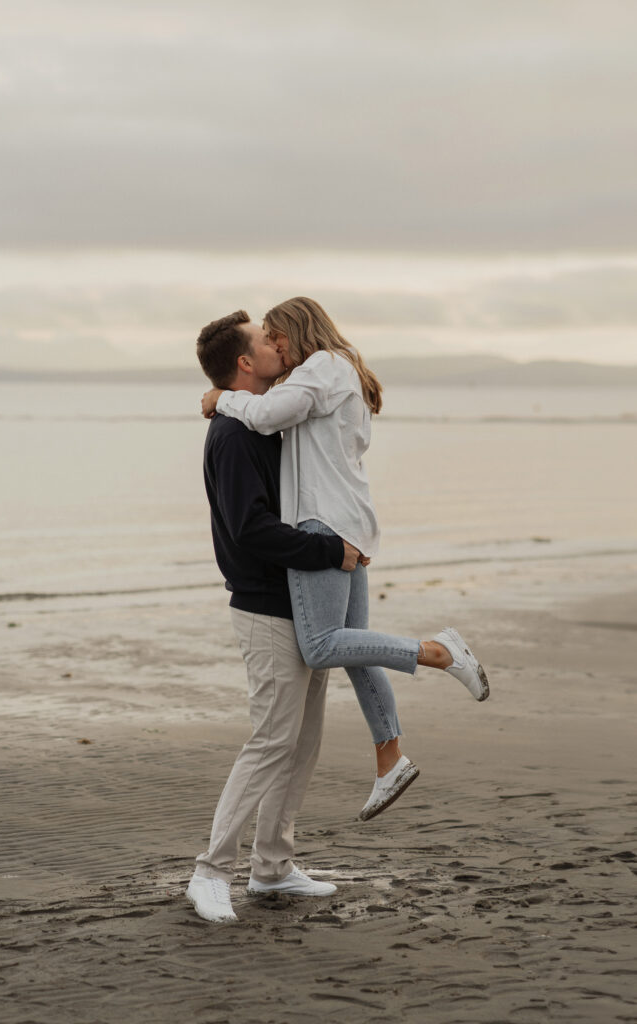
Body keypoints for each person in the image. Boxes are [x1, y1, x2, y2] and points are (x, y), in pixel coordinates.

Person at [201, 296, 490, 824]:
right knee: (352, 651)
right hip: (349, 521)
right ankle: (390, 758)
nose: (274, 346)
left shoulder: (324, 368)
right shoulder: (335, 370)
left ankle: (437, 652)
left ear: (296, 331)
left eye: (276, 336)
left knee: (319, 645)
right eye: (265, 339)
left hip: (325, 524)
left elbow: (263, 415)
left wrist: (221, 398)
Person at [186, 310, 363, 924]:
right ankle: (211, 872)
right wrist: (328, 551)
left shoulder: (271, 418)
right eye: (266, 342)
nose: (278, 347)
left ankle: (272, 866)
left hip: (305, 602)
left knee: (301, 743)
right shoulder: (234, 435)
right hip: (264, 607)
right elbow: (250, 529)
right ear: (244, 362)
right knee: (269, 742)